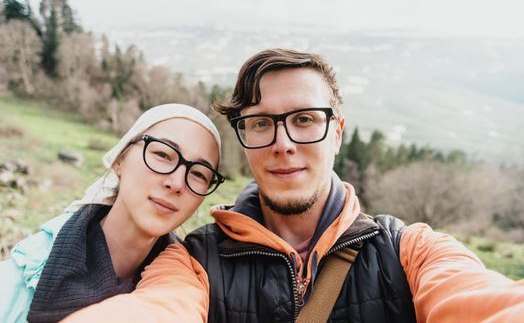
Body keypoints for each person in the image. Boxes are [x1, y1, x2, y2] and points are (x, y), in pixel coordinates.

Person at [65, 49, 524, 322]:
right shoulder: (192, 261)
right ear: (244, 140)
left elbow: (476, 298)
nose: (283, 144)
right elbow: (158, 309)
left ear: (337, 132)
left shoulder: (410, 251)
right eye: (262, 123)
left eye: (304, 120)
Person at [0, 103, 225, 323]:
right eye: (163, 155)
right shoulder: (16, 284)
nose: (176, 183)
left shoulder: (194, 287)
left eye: (199, 174)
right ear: (120, 159)